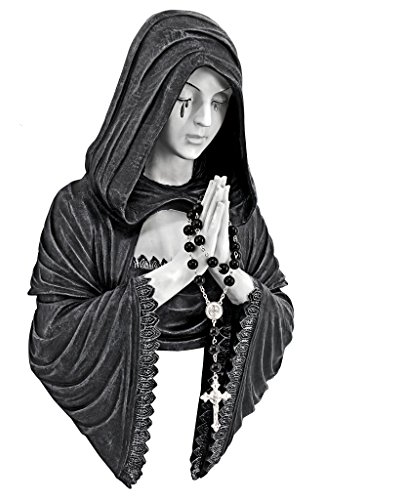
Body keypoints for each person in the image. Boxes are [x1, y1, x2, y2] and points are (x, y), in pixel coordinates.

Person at [27, 9, 294, 489]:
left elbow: (279, 314)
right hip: (81, 469)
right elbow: (53, 341)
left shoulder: (232, 210)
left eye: (219, 102)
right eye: (184, 101)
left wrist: (227, 272)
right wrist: (183, 269)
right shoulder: (80, 211)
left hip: (226, 466)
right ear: (149, 97)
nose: (203, 121)